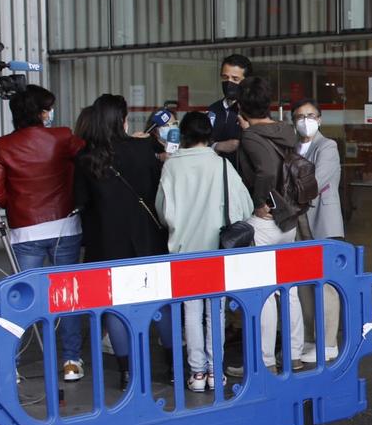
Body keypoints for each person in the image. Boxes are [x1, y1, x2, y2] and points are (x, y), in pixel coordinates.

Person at [0, 84, 87, 382]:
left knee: (20, 297)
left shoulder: (2, 145)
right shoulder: (63, 137)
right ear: (42, 113)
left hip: (24, 230)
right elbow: (88, 164)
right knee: (67, 295)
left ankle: (11, 363)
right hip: (65, 226)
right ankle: (71, 360)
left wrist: (20, 205)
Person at [157, 111, 254, 392]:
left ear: (184, 135)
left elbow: (164, 211)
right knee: (216, 312)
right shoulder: (221, 165)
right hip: (216, 250)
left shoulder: (171, 167)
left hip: (184, 250)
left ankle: (196, 373)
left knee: (190, 311)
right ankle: (215, 370)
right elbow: (244, 208)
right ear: (209, 136)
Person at [72, 93, 167, 382]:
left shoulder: (86, 158)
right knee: (161, 301)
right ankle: (174, 365)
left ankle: (126, 370)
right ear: (123, 120)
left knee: (116, 306)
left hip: (106, 243)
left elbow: (80, 200)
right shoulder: (142, 149)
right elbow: (156, 188)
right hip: (146, 238)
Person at [233, 77, 306, 369]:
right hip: (288, 219)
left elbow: (264, 170)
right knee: (289, 291)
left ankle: (264, 360)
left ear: (241, 106)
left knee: (263, 291)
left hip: (266, 220)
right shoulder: (285, 130)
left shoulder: (251, 138)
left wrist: (259, 202)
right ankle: (294, 354)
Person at [291, 99, 345, 365]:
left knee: (325, 285)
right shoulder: (292, 147)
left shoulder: (328, 146)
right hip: (297, 221)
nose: (305, 120)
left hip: (322, 219)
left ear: (320, 119)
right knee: (303, 284)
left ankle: (329, 342)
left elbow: (315, 181)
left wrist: (287, 192)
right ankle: (310, 338)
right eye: (300, 116)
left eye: (311, 115)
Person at [207, 53, 250, 154]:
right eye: (225, 77)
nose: (229, 82)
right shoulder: (213, 109)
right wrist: (216, 146)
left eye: (235, 79)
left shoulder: (252, 110)